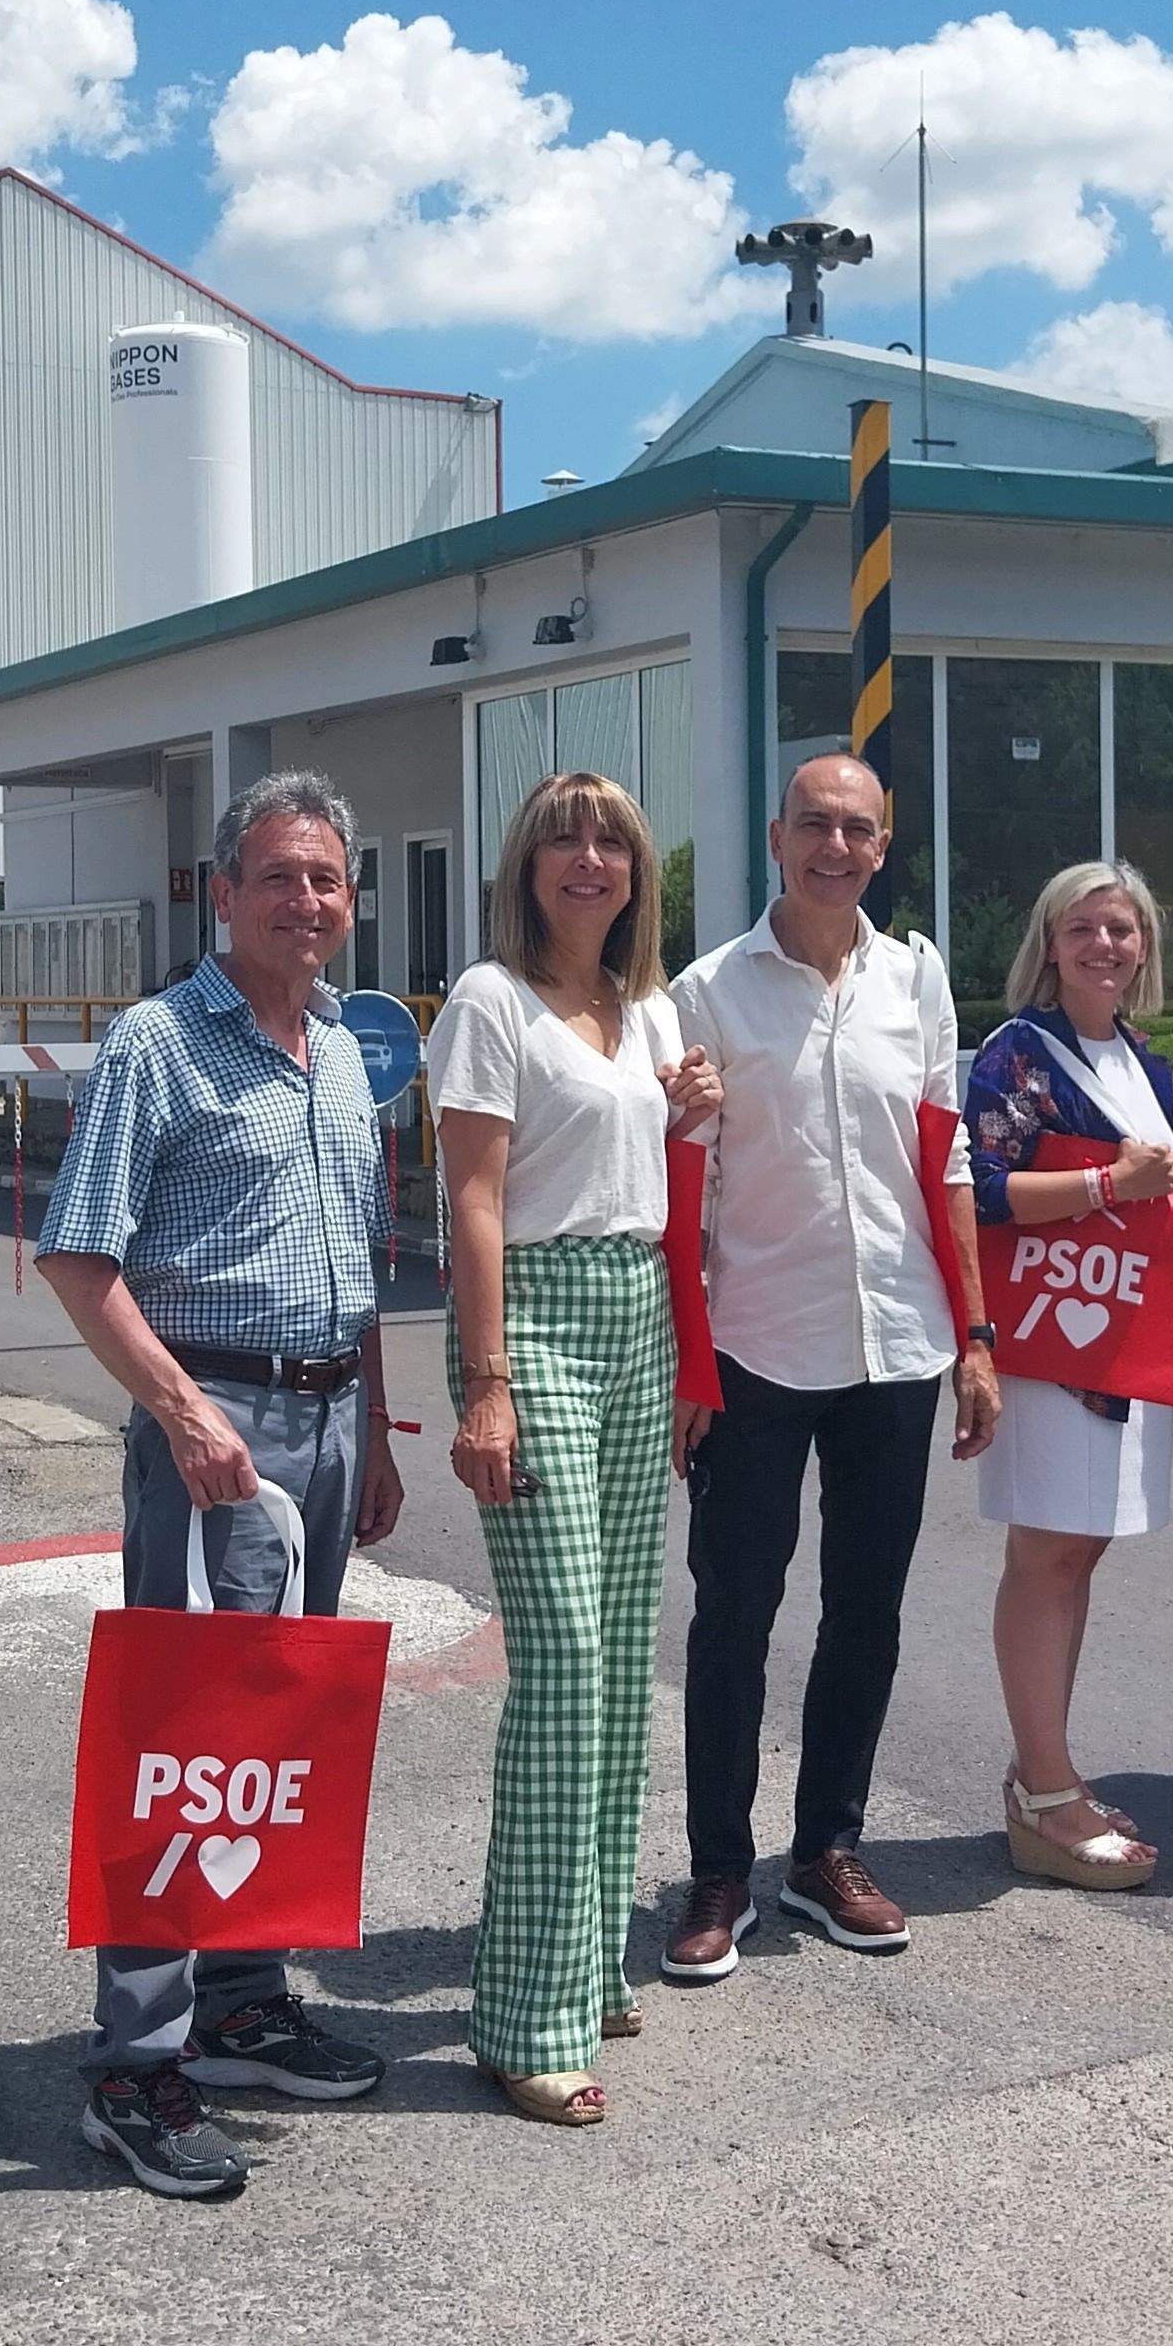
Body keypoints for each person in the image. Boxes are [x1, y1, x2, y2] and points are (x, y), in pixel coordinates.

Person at [34, 770, 406, 2201]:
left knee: (286, 1730)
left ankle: (245, 2001)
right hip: (218, 1428)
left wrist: (374, 1428)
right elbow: (80, 1256)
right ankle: (135, 2065)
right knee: (186, 1743)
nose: (304, 904)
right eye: (278, 878)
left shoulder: (339, 1050)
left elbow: (359, 1261)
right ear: (223, 891)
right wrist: (184, 1418)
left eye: (326, 881)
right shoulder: (158, 1044)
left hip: (324, 1414)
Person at [662, 752, 1001, 1975]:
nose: (837, 847)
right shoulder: (708, 993)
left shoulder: (918, 980)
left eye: (859, 828)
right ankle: (715, 1874)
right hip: (757, 1347)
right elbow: (678, 1201)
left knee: (868, 1612)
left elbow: (947, 1165)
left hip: (898, 1343)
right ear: (776, 834)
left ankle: (826, 1851)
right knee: (734, 1617)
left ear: (884, 839)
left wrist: (972, 1338)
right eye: (816, 824)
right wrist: (689, 1370)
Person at [426, 770, 721, 2124]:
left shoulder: (648, 1010)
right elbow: (475, 1203)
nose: (589, 859)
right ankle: (523, 2016)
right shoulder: (491, 1003)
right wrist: (485, 1385)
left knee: (619, 1663)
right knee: (566, 1668)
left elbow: (649, 1182)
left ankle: (591, 1956)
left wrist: (688, 1104)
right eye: (564, 840)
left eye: (610, 839)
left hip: (638, 1317)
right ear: (527, 866)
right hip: (533, 1321)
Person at [960, 860, 1173, 1890]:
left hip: (1118, 1342)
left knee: (1077, 1555)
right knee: (1047, 1555)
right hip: (1052, 1345)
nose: (1105, 944)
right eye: (1084, 928)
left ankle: (1045, 1773)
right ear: (1049, 944)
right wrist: (1107, 1182)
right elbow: (984, 1189)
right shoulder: (1018, 1053)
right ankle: (1044, 1794)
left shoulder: (1144, 1059)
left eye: (1123, 929)